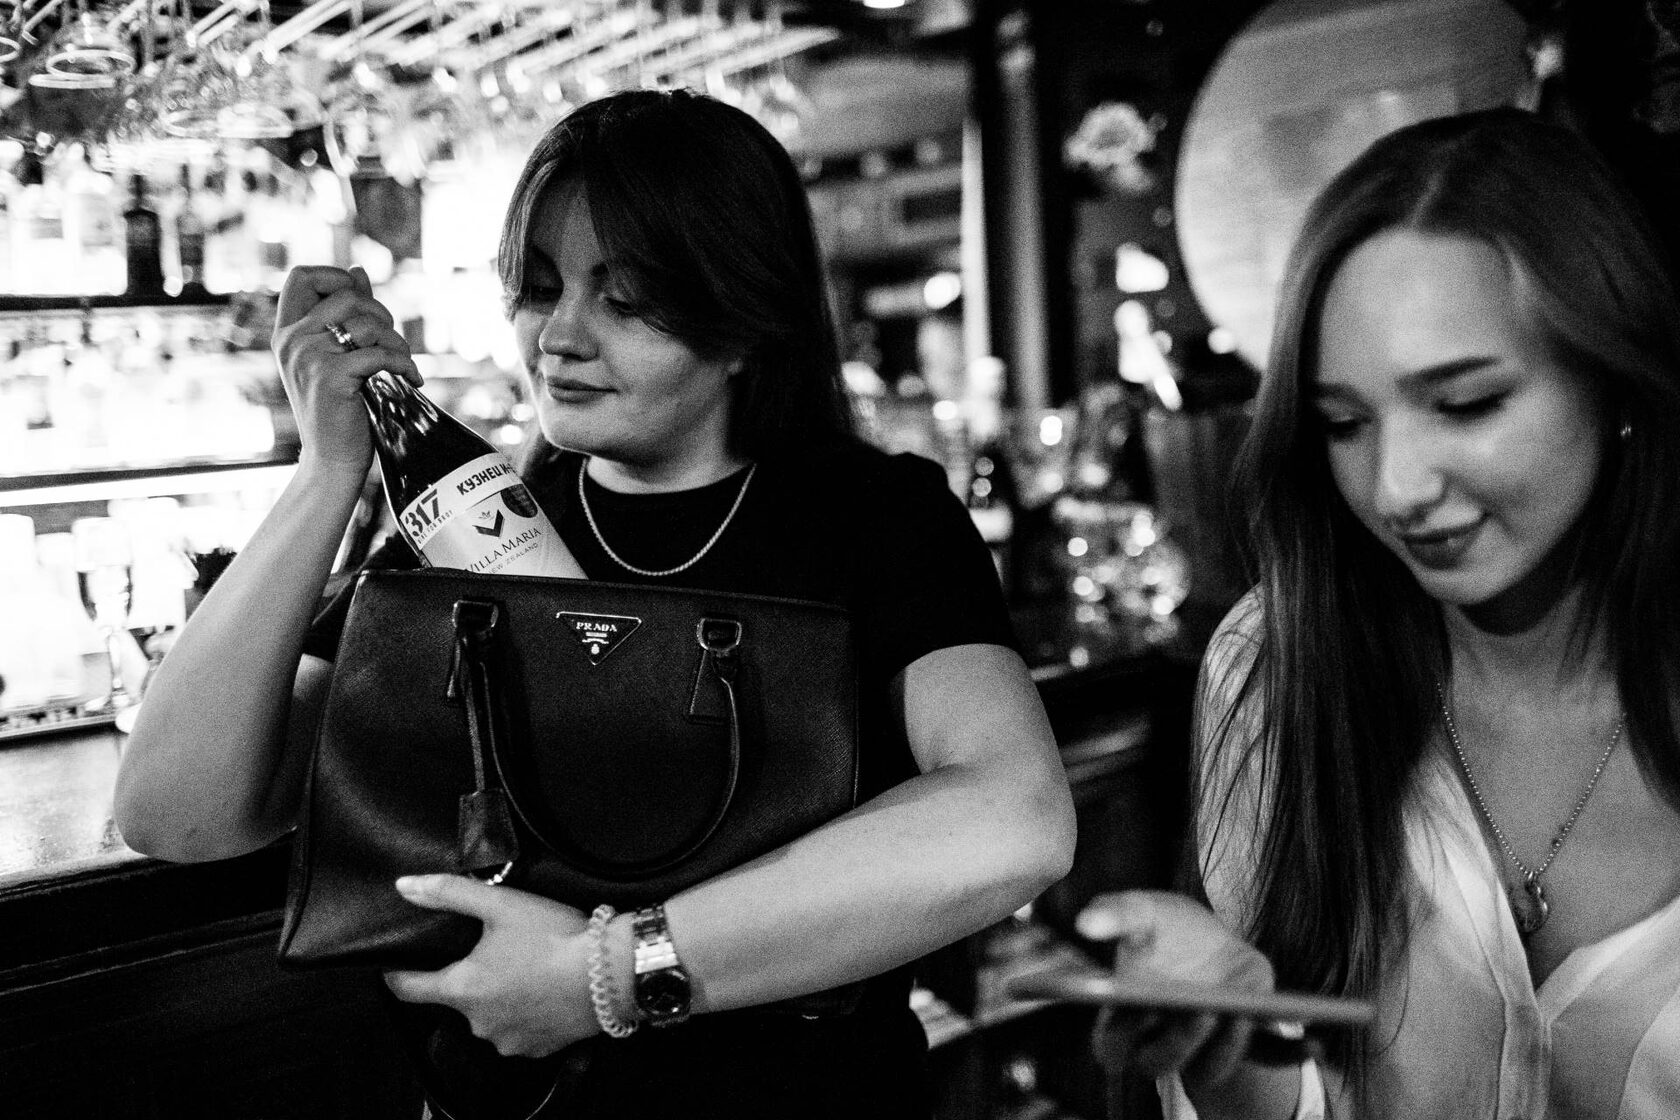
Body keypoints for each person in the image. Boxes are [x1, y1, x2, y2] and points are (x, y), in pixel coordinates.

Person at [114, 89, 1076, 1119]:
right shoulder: (469, 526)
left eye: (627, 300)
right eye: (538, 288)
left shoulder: (871, 518)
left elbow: (1015, 818)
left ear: (746, 321)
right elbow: (178, 814)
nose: (559, 336)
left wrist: (606, 976)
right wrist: (327, 473)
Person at [1083, 107, 1680, 1119]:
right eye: (1345, 423)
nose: (1396, 487)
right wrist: (1235, 1042)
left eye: (1465, 403)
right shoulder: (1280, 664)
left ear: (1616, 379)